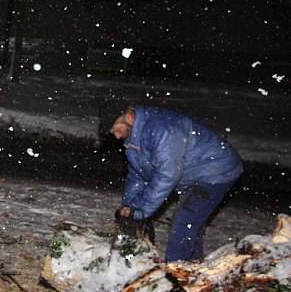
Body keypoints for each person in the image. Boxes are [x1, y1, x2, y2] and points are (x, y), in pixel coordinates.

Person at [102, 101, 243, 262]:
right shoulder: (134, 138)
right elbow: (138, 175)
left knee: (183, 224)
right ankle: (194, 270)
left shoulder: (163, 129)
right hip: (192, 174)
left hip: (215, 171)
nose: (117, 136)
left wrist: (141, 210)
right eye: (113, 132)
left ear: (128, 117)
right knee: (189, 226)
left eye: (118, 129)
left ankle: (176, 277)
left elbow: (167, 175)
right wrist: (128, 206)